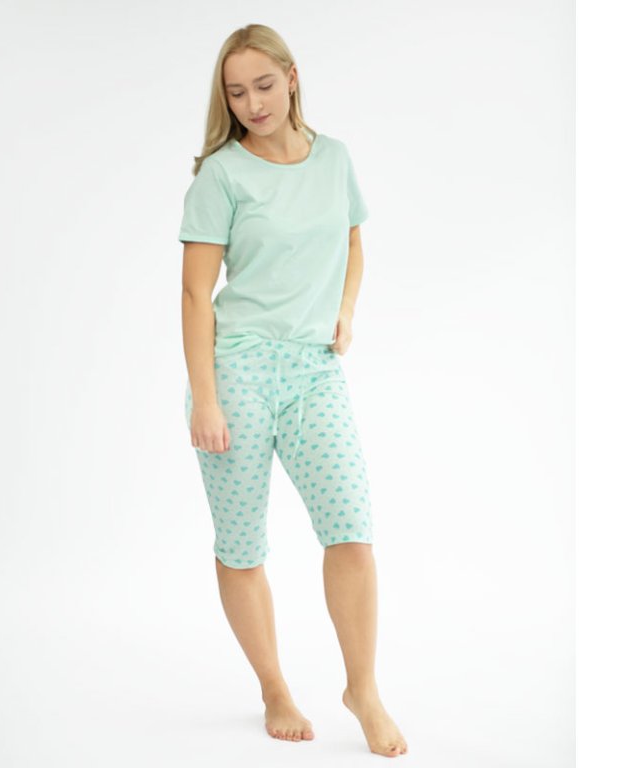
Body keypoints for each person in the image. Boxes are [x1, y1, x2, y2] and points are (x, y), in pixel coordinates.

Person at [179, 24, 408, 758]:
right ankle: (274, 687)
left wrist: (345, 310)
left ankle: (362, 689)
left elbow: (352, 240)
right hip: (238, 372)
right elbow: (195, 294)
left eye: (264, 85)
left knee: (352, 531)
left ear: (292, 77)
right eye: (236, 92)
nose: (253, 103)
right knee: (243, 544)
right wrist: (206, 398)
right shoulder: (221, 176)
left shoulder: (333, 158)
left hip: (314, 371)